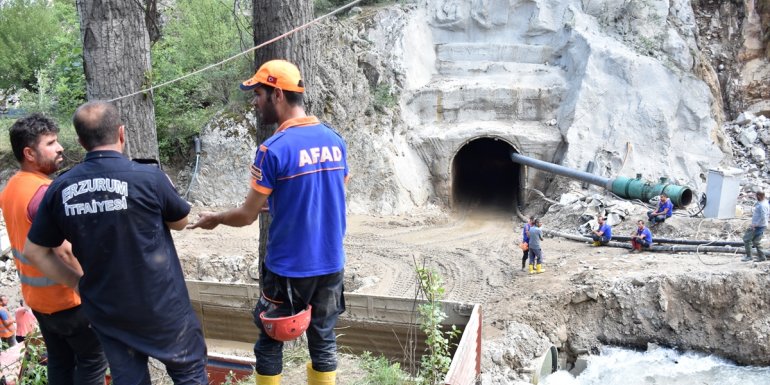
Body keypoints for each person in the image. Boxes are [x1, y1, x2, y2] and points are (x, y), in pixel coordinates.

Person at [23, 101, 207, 385]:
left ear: (82, 141)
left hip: (108, 310)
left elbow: (35, 252)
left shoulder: (60, 188)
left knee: (128, 379)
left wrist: (77, 282)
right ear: (121, 133)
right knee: (189, 374)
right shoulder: (149, 177)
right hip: (162, 307)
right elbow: (180, 222)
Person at [190, 59, 348, 385]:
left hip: (288, 268)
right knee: (323, 340)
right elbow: (329, 193)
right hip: (331, 263)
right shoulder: (335, 141)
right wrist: (280, 202)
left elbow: (246, 216)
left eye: (258, 93)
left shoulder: (271, 150)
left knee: (271, 339)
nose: (254, 101)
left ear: (277, 94)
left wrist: (216, 219)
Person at [0, 113, 108, 384]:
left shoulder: (11, 188)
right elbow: (64, 251)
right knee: (92, 365)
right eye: (51, 143)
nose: (60, 147)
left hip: (39, 301)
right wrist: (92, 289)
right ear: (29, 153)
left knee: (60, 364)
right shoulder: (44, 194)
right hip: (70, 300)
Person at [742, 191, 769, 262]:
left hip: (758, 226)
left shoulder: (762, 205)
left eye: (756, 196)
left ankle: (749, 256)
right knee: (756, 242)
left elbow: (763, 217)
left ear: (759, 196)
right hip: (762, 226)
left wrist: (755, 224)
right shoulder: (765, 203)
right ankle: (762, 257)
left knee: (746, 239)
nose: (755, 198)